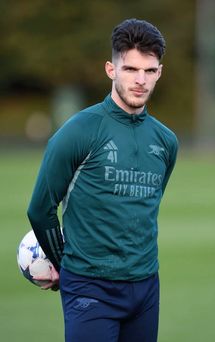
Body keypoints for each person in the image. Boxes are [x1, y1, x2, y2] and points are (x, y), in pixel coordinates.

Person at [27, 18, 178, 342]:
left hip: (146, 287)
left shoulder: (166, 142)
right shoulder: (79, 132)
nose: (140, 80)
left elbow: (145, 206)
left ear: (159, 73)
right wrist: (63, 264)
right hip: (90, 287)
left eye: (149, 71)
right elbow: (40, 209)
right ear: (111, 69)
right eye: (130, 69)